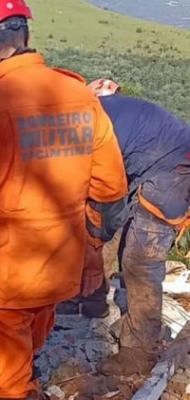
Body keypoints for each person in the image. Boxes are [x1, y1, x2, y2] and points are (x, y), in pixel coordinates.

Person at [0, 0, 128, 399]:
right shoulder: (79, 95)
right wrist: (90, 249)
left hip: (3, 282)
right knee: (24, 361)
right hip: (56, 272)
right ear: (25, 35)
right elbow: (110, 198)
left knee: (6, 387)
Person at [67, 79, 190, 375]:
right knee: (105, 233)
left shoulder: (80, 130)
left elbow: (97, 199)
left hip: (175, 169)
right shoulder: (72, 120)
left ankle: (139, 350)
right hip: (143, 160)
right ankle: (91, 300)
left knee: (140, 258)